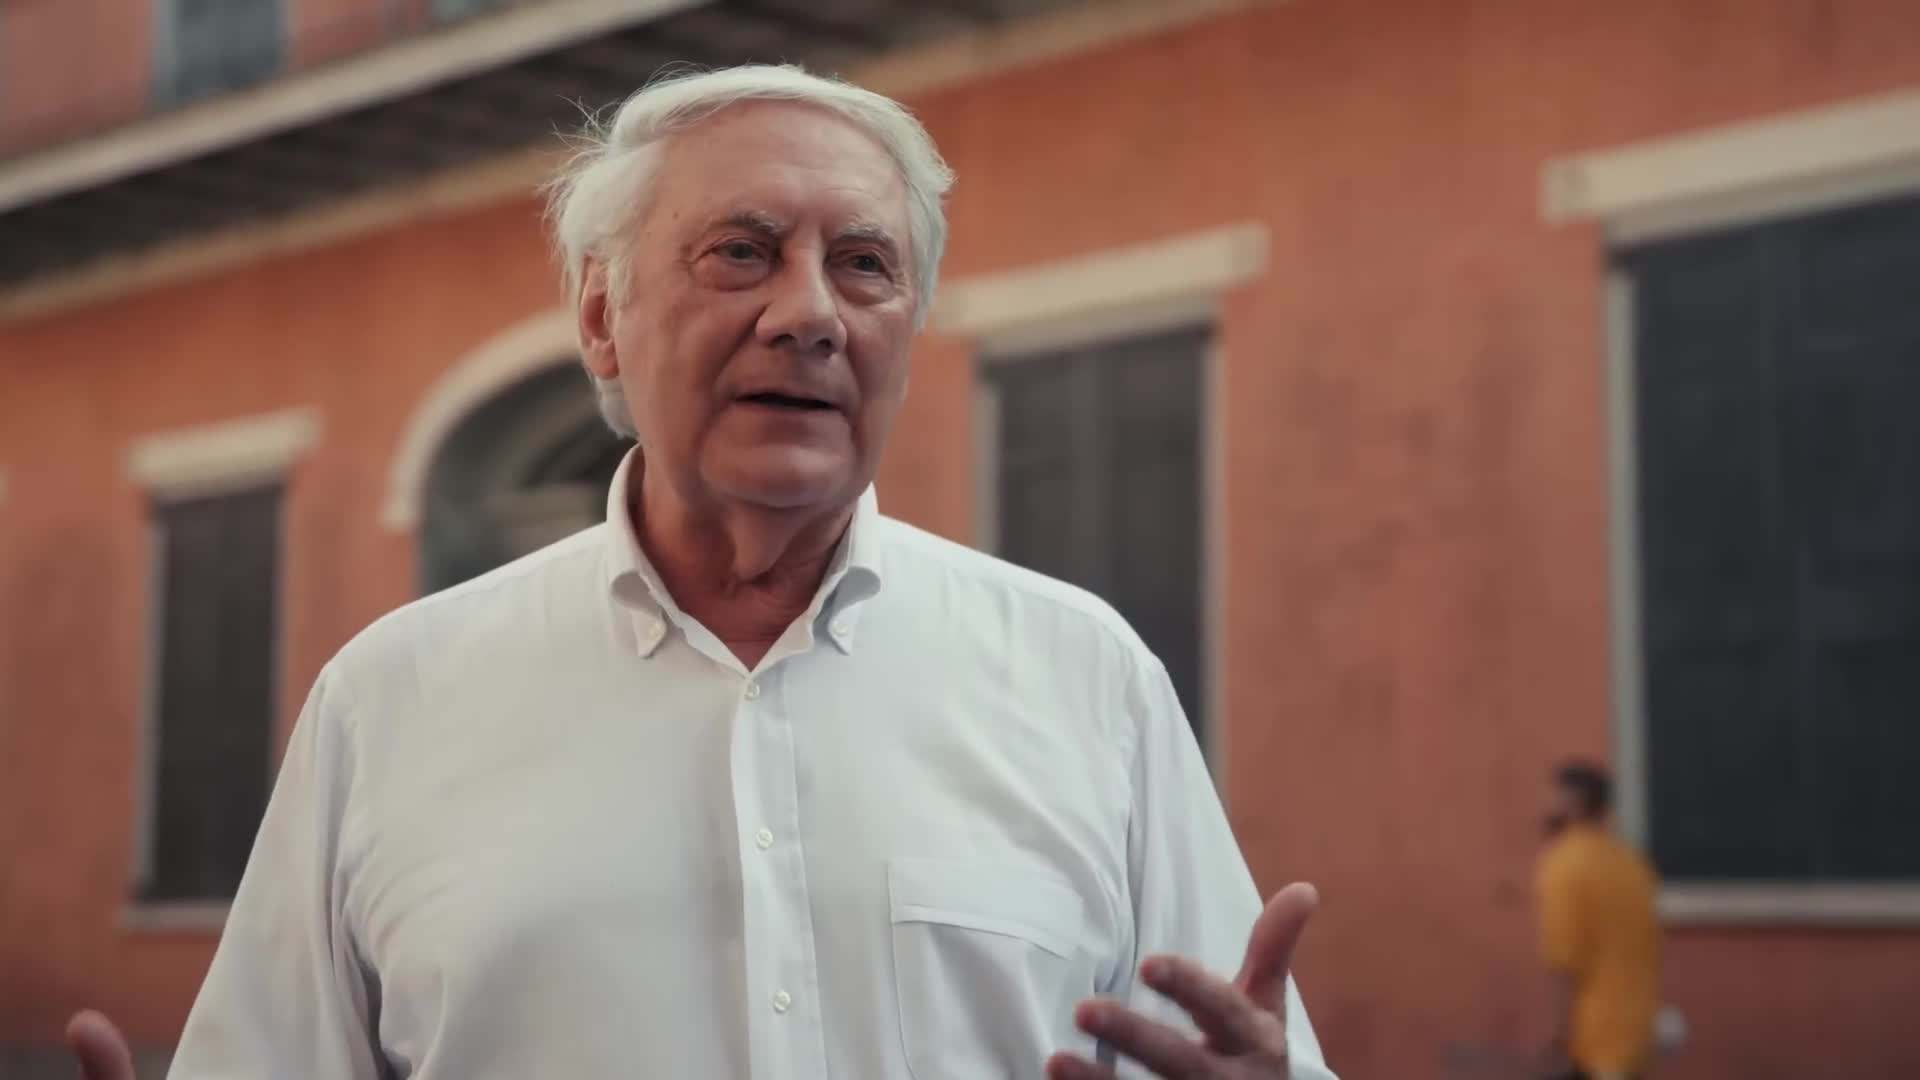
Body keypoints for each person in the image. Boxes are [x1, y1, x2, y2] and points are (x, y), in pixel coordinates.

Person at [65, 65, 1336, 1079]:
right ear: (601, 317)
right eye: (742, 251)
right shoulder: (388, 700)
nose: (811, 314)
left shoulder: (1085, 678)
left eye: (865, 265)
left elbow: (1233, 1049)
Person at [1535, 760, 1661, 1080]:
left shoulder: (1564, 865)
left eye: (1551, 798)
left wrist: (1557, 1034)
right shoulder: (1632, 864)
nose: (1543, 808)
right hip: (1637, 1034)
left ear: (1570, 803)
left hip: (1593, 1040)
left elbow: (1566, 963)